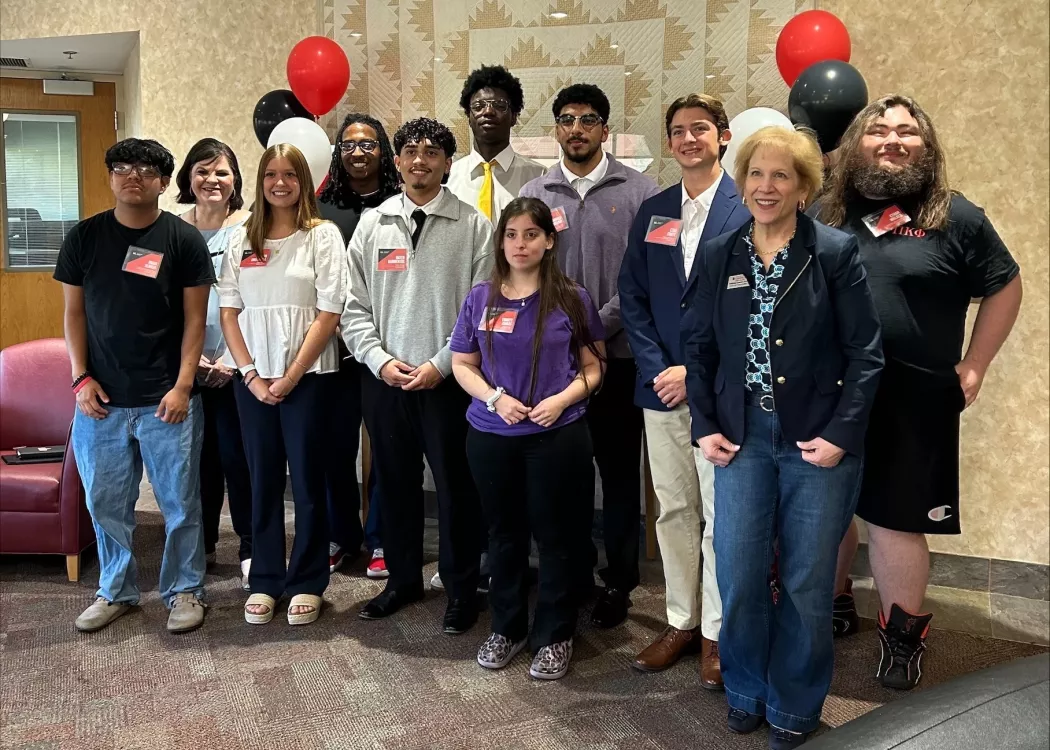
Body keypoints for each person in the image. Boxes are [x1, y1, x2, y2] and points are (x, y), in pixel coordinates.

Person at [682, 126, 883, 748]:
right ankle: (745, 688)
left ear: (803, 188)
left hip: (815, 442)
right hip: (740, 438)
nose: (766, 187)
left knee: (804, 582)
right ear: (741, 182)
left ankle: (794, 707)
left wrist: (842, 433)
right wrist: (704, 424)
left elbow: (866, 354)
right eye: (756, 174)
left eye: (781, 176)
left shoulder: (834, 252)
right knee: (739, 574)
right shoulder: (721, 253)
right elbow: (699, 348)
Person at [819, 95, 1022, 689]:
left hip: (914, 398)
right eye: (878, 130)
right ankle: (833, 601)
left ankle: (902, 638)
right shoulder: (827, 211)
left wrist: (977, 363)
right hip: (829, 391)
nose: (892, 140)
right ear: (855, 143)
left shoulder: (956, 215)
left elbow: (1006, 286)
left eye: (908, 132)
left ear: (926, 148)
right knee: (825, 505)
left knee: (897, 520)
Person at [55, 138, 214, 634]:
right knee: (105, 503)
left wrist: (183, 386)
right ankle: (115, 590)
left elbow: (194, 320)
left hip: (166, 399)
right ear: (110, 177)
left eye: (146, 169)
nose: (133, 176)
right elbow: (74, 314)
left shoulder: (183, 240)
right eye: (121, 167)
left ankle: (185, 589)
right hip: (99, 401)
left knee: (179, 503)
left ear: (163, 182)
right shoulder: (84, 238)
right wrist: (80, 377)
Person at [619, 94, 751, 687]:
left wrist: (693, 374)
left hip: (723, 391)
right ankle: (680, 620)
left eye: (700, 128)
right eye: (678, 131)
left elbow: (755, 306)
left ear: (723, 136)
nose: (689, 139)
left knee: (721, 516)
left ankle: (717, 632)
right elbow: (634, 296)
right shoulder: (653, 210)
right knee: (673, 508)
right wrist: (658, 369)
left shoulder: (748, 205)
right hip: (662, 392)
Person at [342, 118, 494, 634]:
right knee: (394, 484)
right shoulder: (374, 223)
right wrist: (378, 359)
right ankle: (403, 579)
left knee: (456, 488)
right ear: (397, 161)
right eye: (410, 151)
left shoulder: (473, 225)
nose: (420, 160)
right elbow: (352, 305)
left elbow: (481, 308)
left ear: (448, 163)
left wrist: (441, 364)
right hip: (384, 381)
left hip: (449, 383)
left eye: (432, 152)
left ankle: (460, 587)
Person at [519, 83, 660, 629]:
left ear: (605, 129)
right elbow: (522, 269)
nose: (576, 129)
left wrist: (593, 328)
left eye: (588, 119)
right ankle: (571, 574)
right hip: (554, 366)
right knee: (564, 477)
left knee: (619, 477)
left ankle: (619, 582)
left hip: (619, 361)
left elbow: (645, 276)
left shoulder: (643, 192)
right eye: (566, 119)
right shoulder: (535, 192)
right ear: (556, 127)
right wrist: (568, 336)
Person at [451, 197, 605, 680]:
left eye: (531, 234)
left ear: (549, 241)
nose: (521, 244)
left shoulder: (572, 298)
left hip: (556, 436)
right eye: (512, 234)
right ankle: (507, 626)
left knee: (557, 535)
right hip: (492, 435)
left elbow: (594, 367)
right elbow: (462, 363)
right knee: (503, 535)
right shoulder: (481, 297)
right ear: (501, 242)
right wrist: (495, 399)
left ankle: (555, 633)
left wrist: (560, 400)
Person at [218, 143, 346, 626]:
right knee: (263, 480)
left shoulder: (322, 236)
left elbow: (329, 312)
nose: (280, 183)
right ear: (260, 180)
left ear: (303, 181)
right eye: (271, 174)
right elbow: (229, 313)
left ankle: (308, 579)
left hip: (308, 379)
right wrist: (251, 375)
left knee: (309, 481)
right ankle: (266, 579)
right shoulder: (241, 238)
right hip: (252, 381)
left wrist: (290, 376)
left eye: (290, 174)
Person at [318, 113, 401, 578]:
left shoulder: (400, 203)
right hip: (332, 351)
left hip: (385, 348)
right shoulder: (320, 208)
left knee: (387, 449)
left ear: (383, 151)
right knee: (335, 449)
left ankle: (382, 538)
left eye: (367, 144)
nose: (357, 152)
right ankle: (340, 535)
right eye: (348, 145)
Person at [175, 138, 253, 590]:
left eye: (222, 172)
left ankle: (249, 548)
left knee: (238, 459)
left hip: (236, 365)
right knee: (194, 463)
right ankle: (199, 546)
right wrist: (192, 359)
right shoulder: (170, 232)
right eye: (203, 171)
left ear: (235, 180)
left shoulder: (250, 231)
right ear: (188, 177)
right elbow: (159, 302)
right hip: (185, 369)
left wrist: (229, 358)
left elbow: (257, 299)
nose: (212, 180)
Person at [447, 64, 545, 226]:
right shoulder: (448, 178)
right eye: (478, 106)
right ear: (469, 117)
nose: (488, 111)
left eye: (499, 105)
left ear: (514, 117)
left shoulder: (538, 177)